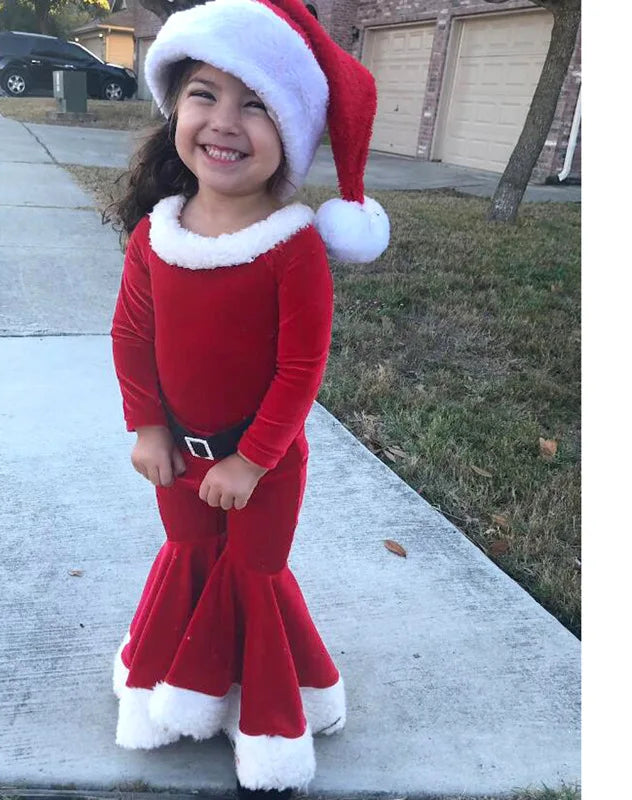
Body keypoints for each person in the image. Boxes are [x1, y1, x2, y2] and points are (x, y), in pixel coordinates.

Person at [106, 0, 390, 796]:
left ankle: (266, 723)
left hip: (263, 466)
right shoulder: (156, 236)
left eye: (256, 103)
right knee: (192, 558)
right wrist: (147, 428)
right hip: (178, 457)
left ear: (290, 134)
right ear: (175, 109)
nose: (225, 121)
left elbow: (300, 369)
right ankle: (182, 687)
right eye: (205, 93)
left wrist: (254, 460)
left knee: (254, 573)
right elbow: (131, 337)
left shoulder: (292, 249)